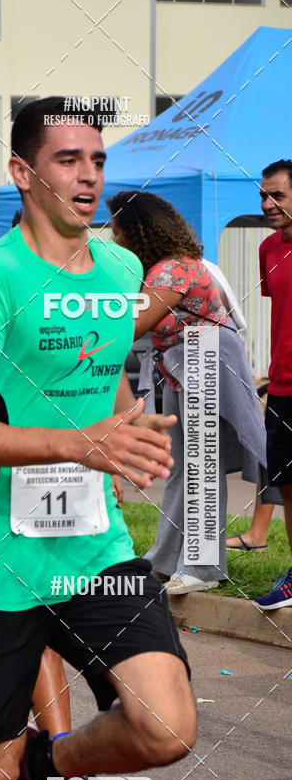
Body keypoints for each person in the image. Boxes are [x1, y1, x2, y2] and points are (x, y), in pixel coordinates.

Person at [0, 96, 196, 780]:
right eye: (68, 160)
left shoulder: (117, 273)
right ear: (23, 174)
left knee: (166, 725)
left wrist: (122, 435)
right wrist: (79, 445)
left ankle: (54, 764)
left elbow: (97, 372)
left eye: (99, 160)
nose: (88, 176)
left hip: (92, 546)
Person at [109, 191, 272, 596]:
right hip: (184, 367)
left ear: (138, 230)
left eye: (117, 231)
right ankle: (165, 558)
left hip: (205, 360)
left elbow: (131, 326)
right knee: (183, 468)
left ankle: (202, 568)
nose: (114, 240)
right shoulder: (159, 268)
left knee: (202, 468)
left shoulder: (172, 270)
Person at [254, 159, 292, 610]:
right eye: (263, 196)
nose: (267, 204)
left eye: (277, 196)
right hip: (282, 388)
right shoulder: (268, 249)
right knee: (287, 485)